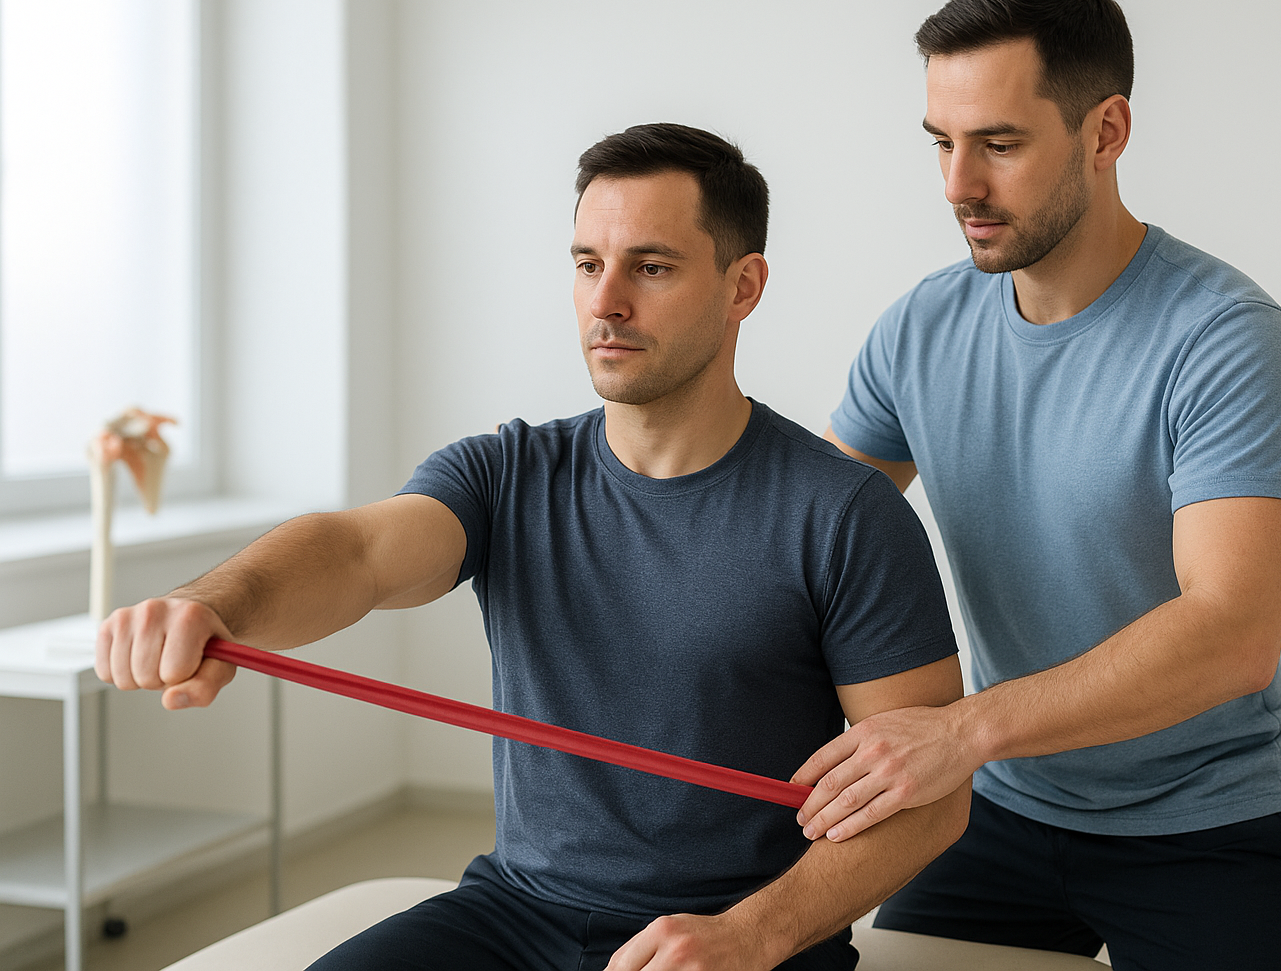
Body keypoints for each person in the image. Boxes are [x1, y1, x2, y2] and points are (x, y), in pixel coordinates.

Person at [96, 122, 969, 971]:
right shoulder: (506, 472)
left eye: (650, 267)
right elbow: (357, 554)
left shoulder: (845, 513)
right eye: (588, 264)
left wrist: (756, 935)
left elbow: (929, 803)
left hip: (739, 938)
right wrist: (220, 605)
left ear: (743, 286)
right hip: (516, 912)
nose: (605, 301)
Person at [791, 0, 1281, 970]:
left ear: (1105, 132)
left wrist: (962, 732)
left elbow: (1232, 634)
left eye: (999, 144)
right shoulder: (920, 330)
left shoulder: (1227, 337)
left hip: (1205, 821)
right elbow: (804, 538)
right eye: (942, 143)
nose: (958, 185)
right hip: (1000, 808)